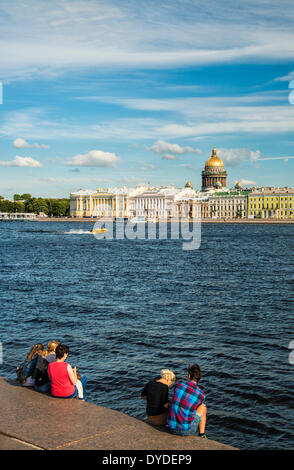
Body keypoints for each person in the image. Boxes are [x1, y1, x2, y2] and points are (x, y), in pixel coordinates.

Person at [167, 364, 207, 438]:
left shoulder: (179, 384)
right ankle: (202, 435)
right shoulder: (201, 394)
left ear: (189, 375)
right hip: (186, 431)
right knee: (203, 407)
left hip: (171, 428)